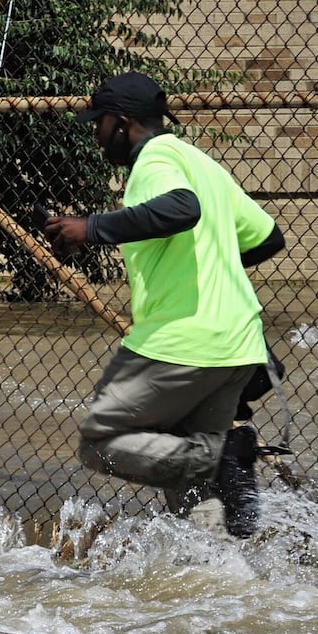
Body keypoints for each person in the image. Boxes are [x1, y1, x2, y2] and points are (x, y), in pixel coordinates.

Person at [46, 71, 284, 538]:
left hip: (181, 344)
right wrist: (214, 262)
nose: (96, 136)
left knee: (100, 442)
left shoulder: (153, 160)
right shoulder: (201, 162)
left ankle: (221, 454)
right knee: (188, 471)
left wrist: (90, 228)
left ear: (123, 122)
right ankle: (215, 567)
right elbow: (267, 236)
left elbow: (182, 209)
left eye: (100, 124)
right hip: (238, 344)